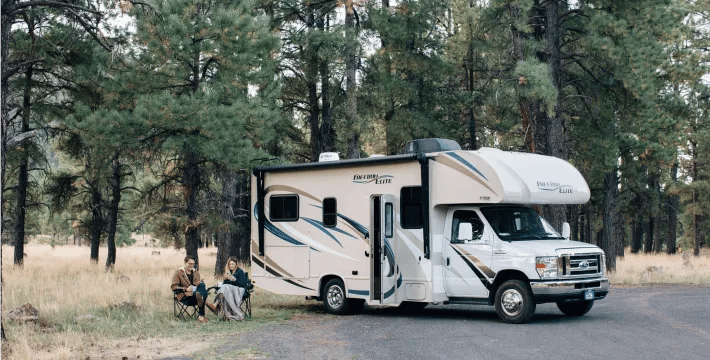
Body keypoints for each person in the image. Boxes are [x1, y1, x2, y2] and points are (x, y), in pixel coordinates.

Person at [171, 255, 217, 322]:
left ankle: (201, 314)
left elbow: (196, 284)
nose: (192, 265)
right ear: (185, 263)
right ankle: (206, 308)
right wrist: (185, 289)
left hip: (195, 297)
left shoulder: (196, 272)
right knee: (202, 295)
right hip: (185, 297)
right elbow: (174, 287)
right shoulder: (178, 273)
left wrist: (198, 282)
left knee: (202, 285)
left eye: (193, 264)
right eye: (190, 264)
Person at [214, 256, 248, 321]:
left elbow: (243, 285)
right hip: (229, 292)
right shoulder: (228, 272)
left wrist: (235, 280)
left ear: (236, 265)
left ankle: (216, 303)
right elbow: (225, 284)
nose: (231, 265)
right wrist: (226, 279)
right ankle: (217, 305)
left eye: (233, 264)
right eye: (230, 264)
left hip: (238, 290)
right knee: (225, 288)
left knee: (226, 287)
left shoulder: (240, 271)